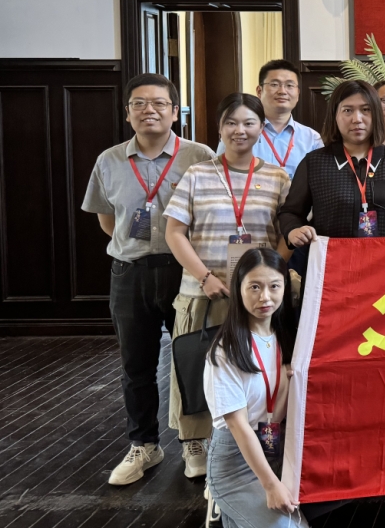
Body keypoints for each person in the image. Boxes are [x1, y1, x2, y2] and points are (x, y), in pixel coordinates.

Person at [81, 74, 215, 486]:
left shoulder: (199, 156)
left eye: (159, 103)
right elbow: (108, 221)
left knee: (191, 360)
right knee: (135, 365)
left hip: (185, 273)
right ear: (127, 113)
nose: (149, 110)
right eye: (139, 103)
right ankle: (144, 444)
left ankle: (194, 441)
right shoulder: (109, 161)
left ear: (175, 111)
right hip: (130, 273)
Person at [164, 93, 290, 479]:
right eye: (231, 123)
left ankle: (250, 441)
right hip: (204, 291)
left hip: (258, 298)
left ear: (261, 128)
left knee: (254, 371)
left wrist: (270, 278)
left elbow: (286, 233)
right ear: (219, 128)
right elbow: (174, 232)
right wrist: (205, 277)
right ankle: (194, 443)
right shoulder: (198, 174)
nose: (240, 130)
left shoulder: (277, 177)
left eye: (249, 123)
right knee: (194, 366)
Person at [204, 248, 309, 528]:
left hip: (276, 448)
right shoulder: (225, 351)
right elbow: (238, 426)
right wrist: (271, 485)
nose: (265, 297)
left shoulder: (288, 338)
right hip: (236, 461)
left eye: (274, 286)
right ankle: (222, 496)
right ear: (238, 289)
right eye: (254, 287)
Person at [279, 79, 385, 244]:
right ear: (335, 116)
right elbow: (290, 212)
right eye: (347, 110)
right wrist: (293, 230)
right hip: (332, 257)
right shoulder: (314, 162)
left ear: (376, 114)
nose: (357, 119)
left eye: (366, 110)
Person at [216, 60, 322, 180]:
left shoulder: (312, 139)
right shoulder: (238, 135)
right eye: (274, 84)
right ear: (259, 91)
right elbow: (220, 175)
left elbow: (319, 180)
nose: (282, 91)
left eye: (289, 85)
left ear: (297, 93)